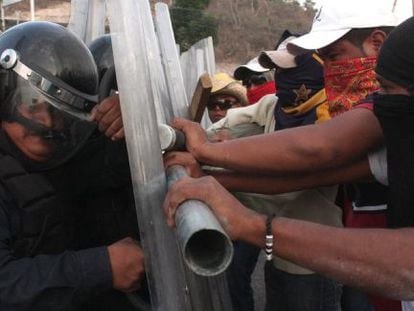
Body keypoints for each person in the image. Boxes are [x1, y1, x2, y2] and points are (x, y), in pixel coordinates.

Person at [164, 0, 407, 309]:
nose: (329, 71)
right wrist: (210, 174)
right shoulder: (384, 133)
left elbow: (317, 150)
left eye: (333, 56)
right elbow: (306, 175)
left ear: (377, 44)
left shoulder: (390, 112)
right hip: (373, 280)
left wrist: (208, 151)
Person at [0, 22, 145, 310]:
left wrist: (133, 119)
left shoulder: (51, 159)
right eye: (33, 105)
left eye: (59, 115)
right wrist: (101, 268)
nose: (47, 125)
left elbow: (99, 166)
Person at [209, 33, 343, 311]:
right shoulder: (276, 106)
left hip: (315, 261)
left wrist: (220, 163)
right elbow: (229, 123)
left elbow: (289, 186)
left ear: (313, 70)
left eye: (290, 70)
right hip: (277, 251)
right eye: (278, 70)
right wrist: (197, 139)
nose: (281, 77)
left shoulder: (334, 120)